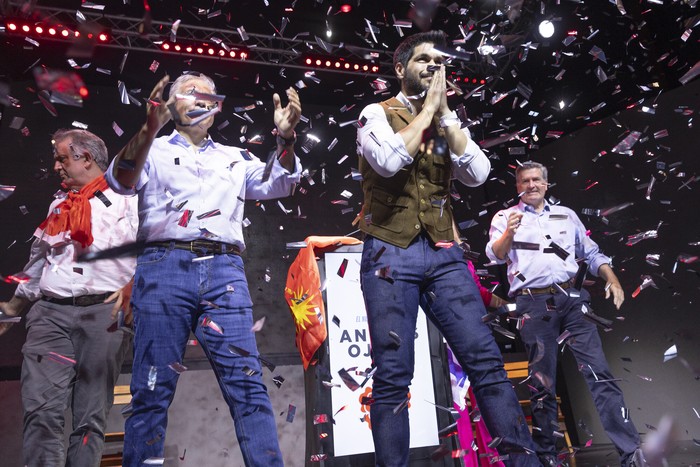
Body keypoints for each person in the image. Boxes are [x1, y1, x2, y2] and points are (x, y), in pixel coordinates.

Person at [356, 30, 541, 467]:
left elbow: (477, 172)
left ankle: (523, 462)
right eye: (424, 60)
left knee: (486, 361)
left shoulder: (445, 123)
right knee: (392, 376)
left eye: (440, 61)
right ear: (400, 69)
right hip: (389, 251)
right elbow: (386, 161)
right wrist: (427, 115)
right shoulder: (375, 114)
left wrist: (447, 118)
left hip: (443, 253)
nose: (435, 68)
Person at [105, 71, 302, 466]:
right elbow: (121, 181)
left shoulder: (237, 157)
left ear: (219, 107)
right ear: (170, 105)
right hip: (164, 267)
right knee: (151, 391)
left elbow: (282, 183)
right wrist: (148, 128)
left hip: (224, 270)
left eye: (209, 96)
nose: (200, 101)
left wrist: (285, 140)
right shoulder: (152, 150)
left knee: (248, 386)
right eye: (190, 94)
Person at [486, 161, 645, 467]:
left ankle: (632, 454)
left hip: (572, 300)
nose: (531, 185)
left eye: (536, 180)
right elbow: (496, 255)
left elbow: (591, 253)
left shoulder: (566, 215)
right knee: (542, 384)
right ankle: (547, 457)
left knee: (600, 374)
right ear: (518, 186)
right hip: (533, 305)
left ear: (546, 184)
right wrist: (508, 232)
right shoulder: (505, 217)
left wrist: (612, 278)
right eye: (524, 181)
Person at [0, 129, 136, 466]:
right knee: (41, 412)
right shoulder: (60, 203)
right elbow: (39, 260)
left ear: (86, 158)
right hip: (50, 315)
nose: (56, 166)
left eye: (62, 158)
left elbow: (151, 254)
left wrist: (137, 287)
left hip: (103, 317)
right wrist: (13, 306)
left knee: (89, 419)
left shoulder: (129, 199)